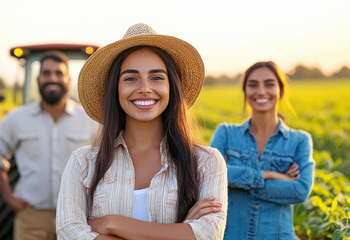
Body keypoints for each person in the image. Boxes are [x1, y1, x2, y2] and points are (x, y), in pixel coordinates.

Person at [56, 23, 228, 240]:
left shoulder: (206, 161)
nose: (145, 88)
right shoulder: (83, 163)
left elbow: (209, 234)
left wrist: (111, 223)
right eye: (130, 78)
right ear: (115, 88)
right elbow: (67, 233)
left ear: (171, 88)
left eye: (156, 77)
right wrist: (182, 231)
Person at [0, 51, 97, 240]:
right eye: (46, 73)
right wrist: (9, 198)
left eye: (58, 73)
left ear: (68, 80)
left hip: (79, 219)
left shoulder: (90, 121)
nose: (52, 78)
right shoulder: (16, 119)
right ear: (38, 79)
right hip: (31, 218)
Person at [210, 61, 315, 239]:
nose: (260, 91)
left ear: (281, 91)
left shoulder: (300, 140)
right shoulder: (226, 133)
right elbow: (210, 176)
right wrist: (270, 175)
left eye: (269, 84)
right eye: (253, 85)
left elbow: (300, 190)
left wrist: (234, 180)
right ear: (245, 91)